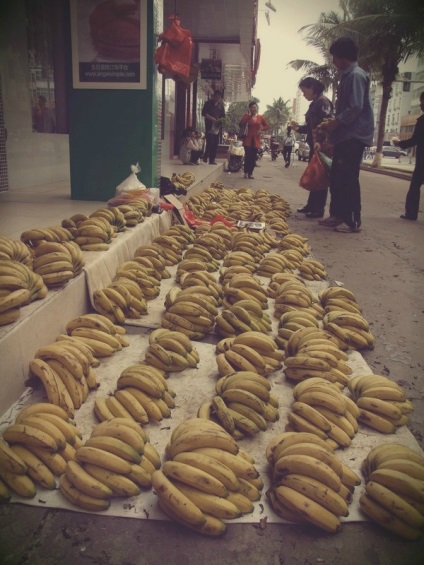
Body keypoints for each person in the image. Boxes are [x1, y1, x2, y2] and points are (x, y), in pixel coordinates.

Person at [318, 37, 374, 233]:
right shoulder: (348, 75)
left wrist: (336, 122)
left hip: (354, 135)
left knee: (348, 177)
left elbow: (356, 106)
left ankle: (352, 220)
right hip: (345, 134)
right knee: (338, 176)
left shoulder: (356, 75)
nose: (333, 61)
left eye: (334, 57)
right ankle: (337, 215)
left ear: (342, 57)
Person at [291, 77, 334, 218]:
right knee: (315, 175)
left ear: (311, 88)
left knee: (320, 176)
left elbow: (326, 125)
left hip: (322, 145)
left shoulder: (323, 103)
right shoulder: (316, 103)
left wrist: (320, 141)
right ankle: (312, 205)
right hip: (315, 144)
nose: (303, 94)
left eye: (304, 91)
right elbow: (310, 128)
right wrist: (298, 128)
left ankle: (318, 209)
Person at [392, 91, 424, 221]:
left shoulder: (422, 120)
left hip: (423, 162)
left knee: (415, 186)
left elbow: (416, 139)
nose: (421, 105)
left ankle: (411, 213)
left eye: (422, 101)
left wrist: (400, 143)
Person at [239, 101, 269, 179]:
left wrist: (261, 129)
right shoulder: (247, 116)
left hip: (256, 140)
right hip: (247, 139)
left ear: (256, 108)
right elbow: (241, 123)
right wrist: (248, 115)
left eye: (254, 107)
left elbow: (267, 126)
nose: (253, 109)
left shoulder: (260, 117)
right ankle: (246, 172)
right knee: (248, 156)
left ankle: (251, 173)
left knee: (253, 157)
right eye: (252, 107)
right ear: (249, 108)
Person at [201, 90, 225, 165]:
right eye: (216, 96)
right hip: (209, 126)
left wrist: (220, 121)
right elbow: (204, 113)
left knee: (215, 143)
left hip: (217, 127)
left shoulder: (221, 106)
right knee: (210, 142)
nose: (217, 98)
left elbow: (223, 116)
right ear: (213, 96)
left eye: (219, 97)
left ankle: (212, 160)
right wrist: (213, 119)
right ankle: (205, 155)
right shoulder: (208, 103)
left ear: (220, 98)